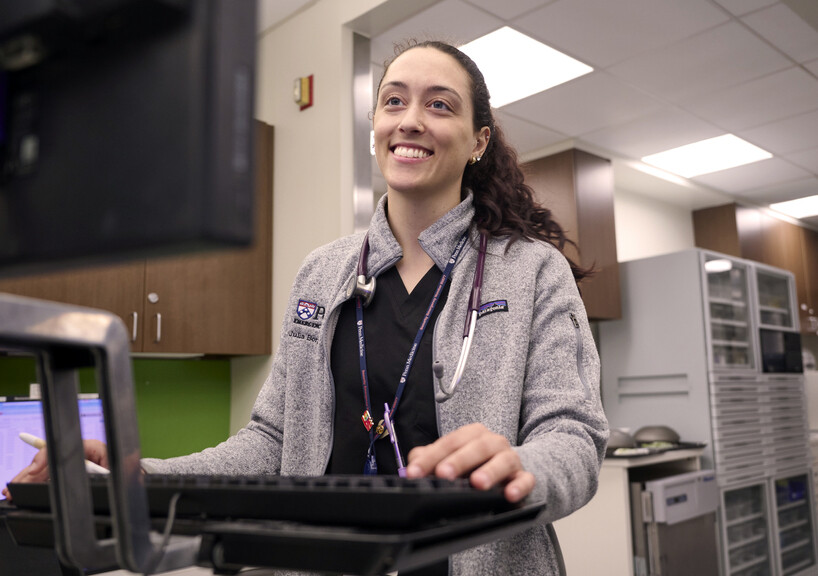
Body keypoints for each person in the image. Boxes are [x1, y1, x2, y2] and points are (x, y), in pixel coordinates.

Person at [4, 39, 609, 575]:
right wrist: (146, 475)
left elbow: (575, 438)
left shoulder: (531, 271)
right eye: (394, 101)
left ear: (479, 141)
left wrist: (520, 468)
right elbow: (273, 443)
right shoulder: (323, 274)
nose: (411, 121)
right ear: (375, 125)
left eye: (440, 104)